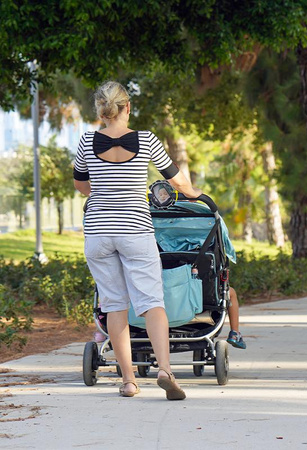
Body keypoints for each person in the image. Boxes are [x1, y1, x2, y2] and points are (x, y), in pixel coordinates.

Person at [74, 81, 202, 400]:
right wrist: (192, 193)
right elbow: (175, 178)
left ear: (101, 111)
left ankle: (129, 381)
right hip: (134, 230)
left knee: (115, 304)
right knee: (151, 302)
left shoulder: (87, 140)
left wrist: (104, 195)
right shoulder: (146, 140)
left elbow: (80, 185)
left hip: (99, 233)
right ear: (127, 107)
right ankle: (164, 371)